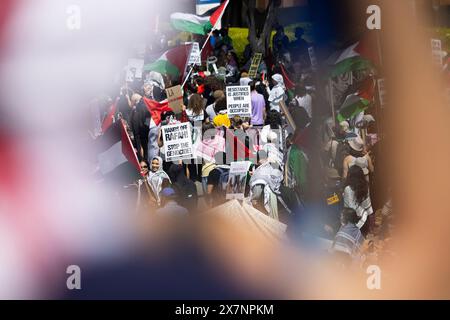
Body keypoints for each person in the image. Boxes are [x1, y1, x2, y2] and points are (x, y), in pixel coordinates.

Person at [343, 166, 374, 234]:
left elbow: (350, 207)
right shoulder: (365, 187)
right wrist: (371, 220)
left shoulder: (348, 189)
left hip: (353, 223)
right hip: (364, 219)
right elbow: (368, 205)